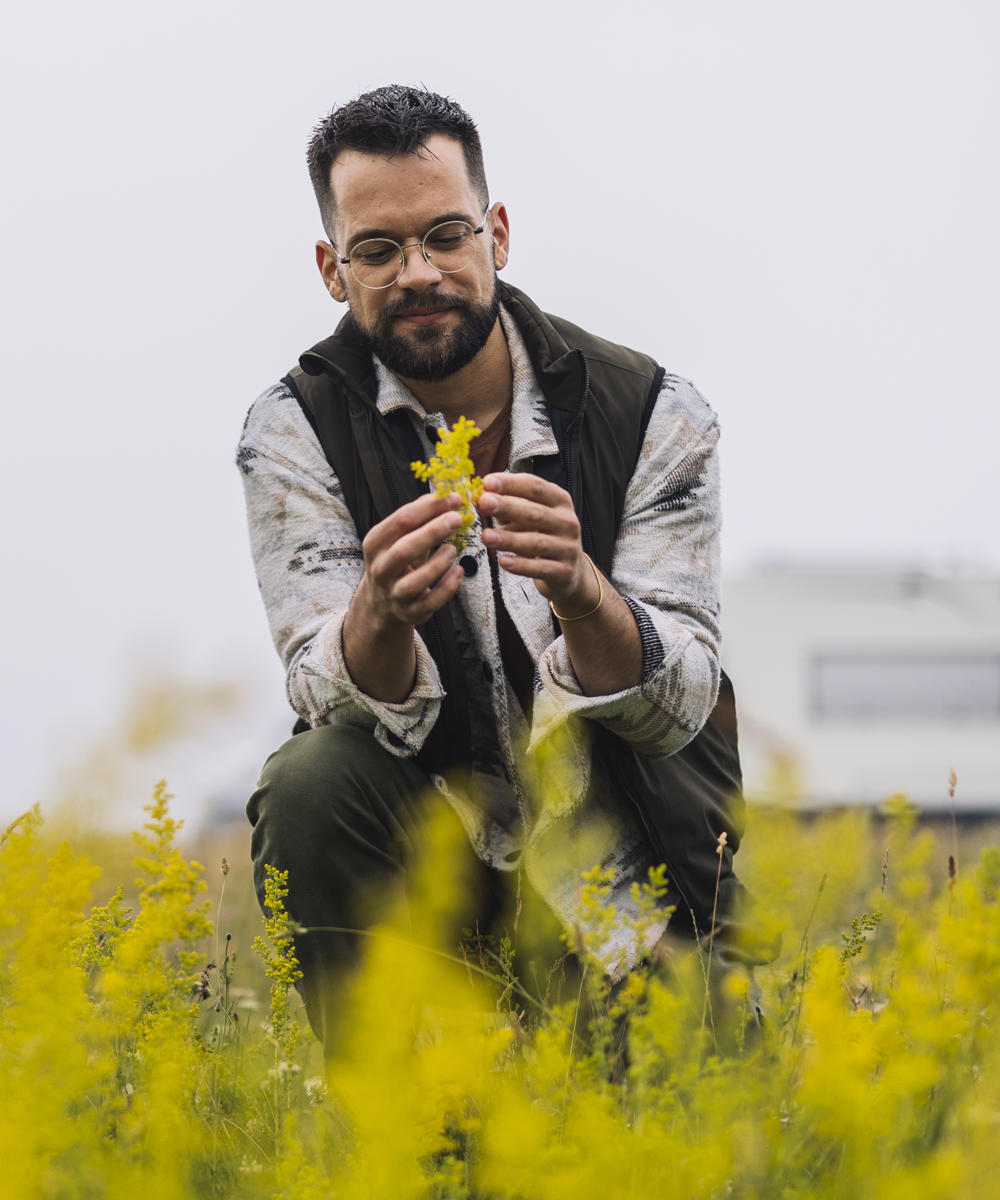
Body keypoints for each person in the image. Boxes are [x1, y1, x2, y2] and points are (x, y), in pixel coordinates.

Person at [237, 85, 755, 1055]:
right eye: (378, 250)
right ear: (330, 268)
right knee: (308, 780)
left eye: (444, 234)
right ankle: (402, 1128)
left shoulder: (656, 413)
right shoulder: (290, 432)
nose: (418, 272)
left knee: (687, 1135)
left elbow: (683, 699)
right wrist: (378, 616)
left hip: (630, 874)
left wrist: (580, 591)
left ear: (498, 233)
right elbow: (319, 684)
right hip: (436, 865)